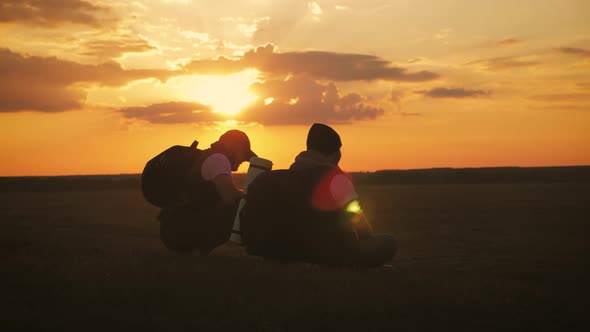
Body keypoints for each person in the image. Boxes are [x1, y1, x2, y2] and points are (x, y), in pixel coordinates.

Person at [240, 123, 397, 267]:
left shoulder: (274, 179)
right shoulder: (334, 178)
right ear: (335, 155)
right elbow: (362, 227)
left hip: (274, 251)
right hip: (323, 254)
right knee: (389, 242)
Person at [158, 129, 256, 255]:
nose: (243, 160)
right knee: (241, 207)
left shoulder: (209, 156)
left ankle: (199, 249)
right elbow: (229, 197)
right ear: (233, 148)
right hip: (179, 231)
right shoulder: (219, 159)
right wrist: (253, 197)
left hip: (173, 229)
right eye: (243, 154)